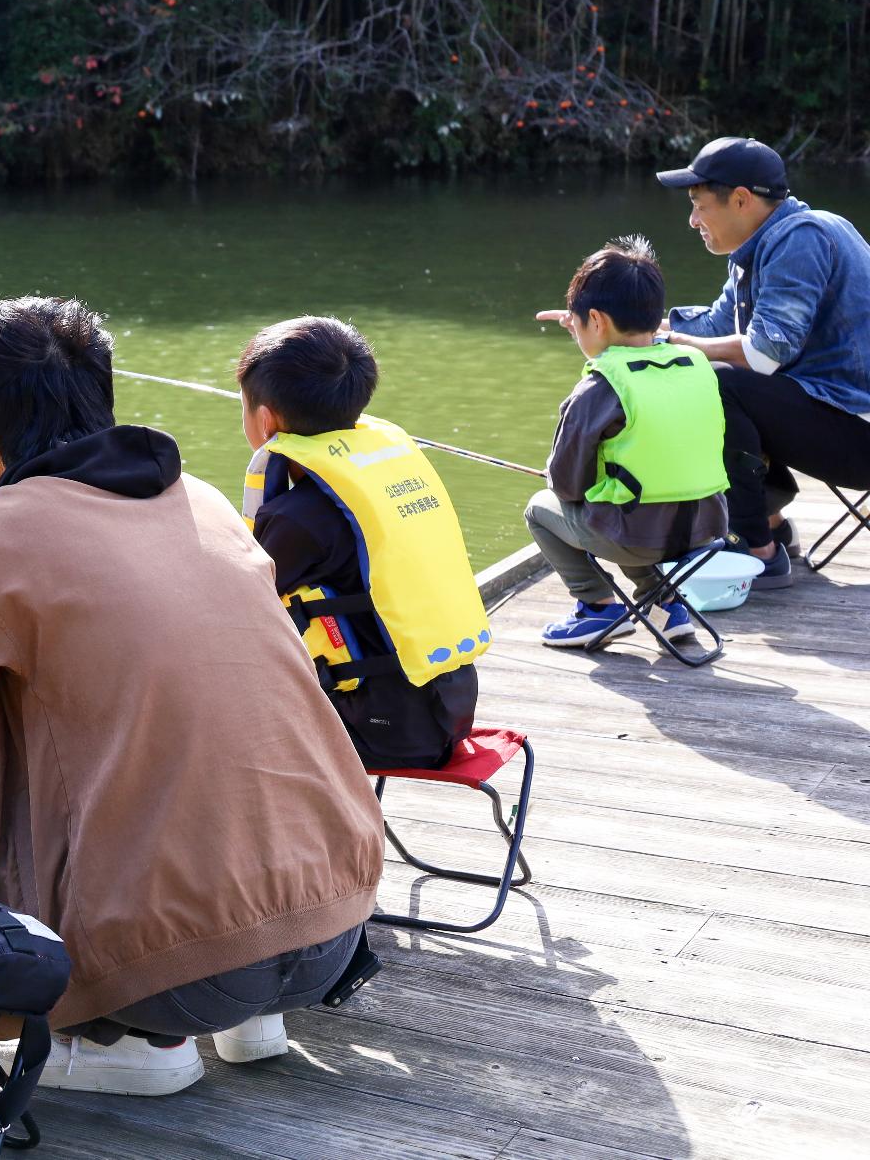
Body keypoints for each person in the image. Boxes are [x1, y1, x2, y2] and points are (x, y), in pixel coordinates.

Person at [0, 296, 384, 1096]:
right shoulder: (209, 502)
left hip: (181, 968)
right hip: (331, 924)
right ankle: (251, 1021)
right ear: (101, 396)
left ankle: (125, 1038)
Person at [235, 317, 486, 769]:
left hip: (383, 729)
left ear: (265, 419)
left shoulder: (297, 520)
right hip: (449, 711)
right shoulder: (388, 475)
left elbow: (239, 616)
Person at [655, 137, 870, 586]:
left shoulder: (801, 239)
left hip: (859, 434)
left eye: (698, 205)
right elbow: (716, 326)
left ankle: (755, 546)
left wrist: (675, 341)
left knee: (718, 383)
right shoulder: (761, 246)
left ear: (740, 199)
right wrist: (629, 331)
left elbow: (765, 353)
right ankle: (769, 524)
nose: (692, 220)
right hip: (835, 425)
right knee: (713, 373)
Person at [526, 237, 729, 645]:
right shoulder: (697, 366)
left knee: (541, 509)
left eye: (579, 321)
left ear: (596, 321)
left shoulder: (596, 389)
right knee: (632, 507)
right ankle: (665, 605)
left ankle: (597, 607)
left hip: (636, 539)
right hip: (706, 529)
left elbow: (566, 485)